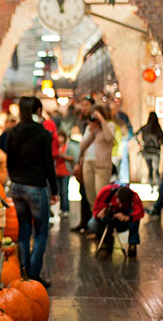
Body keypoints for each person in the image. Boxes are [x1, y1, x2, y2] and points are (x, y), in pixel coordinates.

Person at [6, 96, 58, 288]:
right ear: (37, 111)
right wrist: (54, 189)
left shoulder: (12, 133)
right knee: (41, 231)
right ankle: (34, 275)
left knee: (24, 231)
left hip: (17, 187)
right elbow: (48, 164)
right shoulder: (42, 134)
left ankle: (23, 272)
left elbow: (9, 161)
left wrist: (14, 179)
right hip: (36, 186)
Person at [88, 183, 144, 257]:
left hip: (124, 221)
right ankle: (106, 239)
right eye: (119, 202)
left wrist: (129, 217)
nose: (120, 205)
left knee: (135, 218)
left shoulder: (134, 196)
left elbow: (140, 212)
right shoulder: (107, 191)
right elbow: (96, 209)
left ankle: (132, 243)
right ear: (116, 196)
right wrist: (100, 213)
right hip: (107, 219)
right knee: (92, 225)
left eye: (123, 204)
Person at [79, 105, 115, 218]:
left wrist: (102, 121)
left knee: (101, 196)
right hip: (88, 164)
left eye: (96, 115)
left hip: (102, 165)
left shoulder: (109, 125)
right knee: (90, 197)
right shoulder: (90, 128)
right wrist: (91, 130)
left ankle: (102, 226)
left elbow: (109, 138)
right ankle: (96, 222)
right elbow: (82, 145)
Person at [72, 96, 95, 232]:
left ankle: (91, 224)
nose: (84, 107)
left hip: (93, 161)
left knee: (91, 193)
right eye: (82, 105)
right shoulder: (82, 120)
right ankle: (84, 222)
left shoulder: (94, 121)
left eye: (86, 105)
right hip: (85, 161)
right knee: (83, 192)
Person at [135, 112, 163, 187]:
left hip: (146, 151)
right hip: (155, 152)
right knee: (156, 170)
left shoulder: (145, 127)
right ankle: (158, 186)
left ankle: (151, 186)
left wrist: (139, 143)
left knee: (150, 169)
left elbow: (134, 135)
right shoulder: (158, 129)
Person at [56, 130, 78, 217]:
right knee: (60, 192)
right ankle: (62, 208)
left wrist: (63, 155)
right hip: (57, 172)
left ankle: (66, 209)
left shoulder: (68, 147)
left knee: (65, 191)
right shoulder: (56, 147)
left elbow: (73, 158)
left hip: (65, 171)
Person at [110, 101, 134, 183]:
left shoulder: (121, 119)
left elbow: (127, 133)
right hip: (113, 148)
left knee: (121, 164)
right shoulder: (110, 121)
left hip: (119, 146)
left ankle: (122, 182)